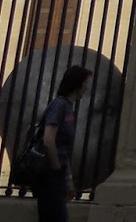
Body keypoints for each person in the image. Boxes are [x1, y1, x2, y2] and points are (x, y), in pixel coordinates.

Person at [34, 66, 91, 222]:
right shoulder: (59, 105)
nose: (86, 88)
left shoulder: (67, 107)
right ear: (77, 84)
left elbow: (63, 149)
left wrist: (68, 179)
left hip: (58, 174)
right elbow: (48, 140)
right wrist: (57, 170)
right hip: (50, 174)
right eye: (85, 83)